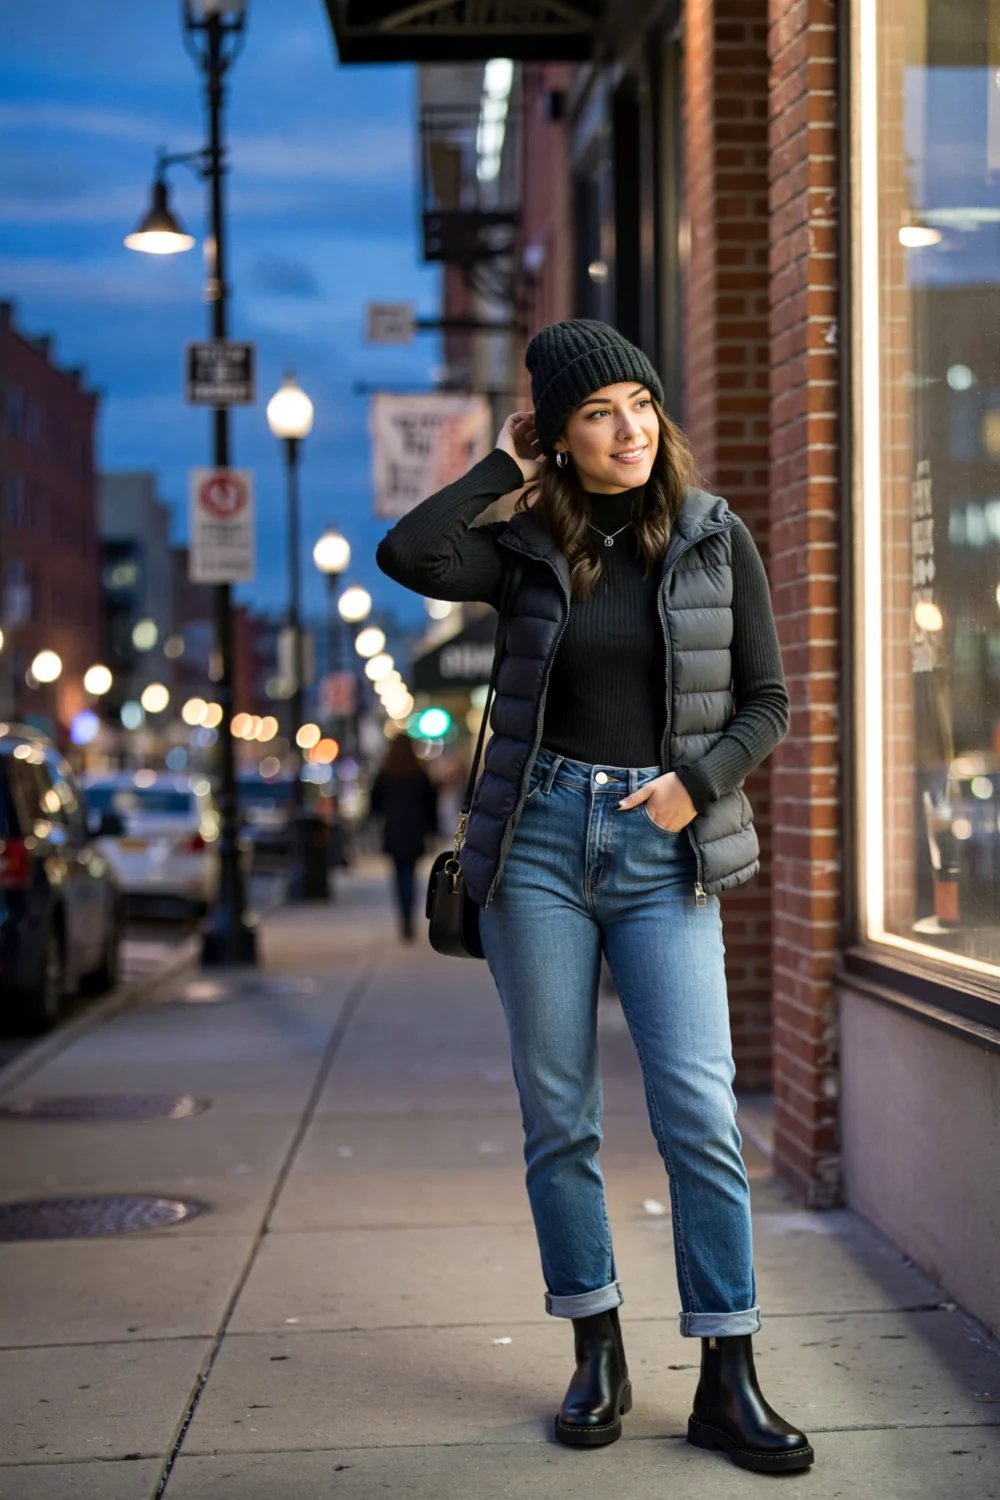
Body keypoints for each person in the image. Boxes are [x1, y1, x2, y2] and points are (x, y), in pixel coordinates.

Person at [376, 319, 811, 1474]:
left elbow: (766, 699)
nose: (627, 430)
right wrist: (502, 465)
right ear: (557, 435)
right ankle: (596, 1351)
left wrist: (693, 787)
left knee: (698, 1113)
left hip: (663, 845)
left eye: (639, 405)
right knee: (559, 1115)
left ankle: (727, 1374)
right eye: (595, 414)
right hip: (535, 845)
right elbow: (409, 553)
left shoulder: (713, 535)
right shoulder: (523, 545)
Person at [368, 733, 440, 942]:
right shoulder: (419, 773)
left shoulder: (385, 774)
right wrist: (432, 831)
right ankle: (409, 916)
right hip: (415, 831)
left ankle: (404, 915)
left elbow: (375, 804)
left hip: (394, 831)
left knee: (399, 875)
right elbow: (431, 804)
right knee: (411, 874)